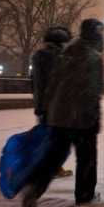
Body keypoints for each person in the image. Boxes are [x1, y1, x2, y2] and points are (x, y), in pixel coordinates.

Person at [21, 19, 104, 207]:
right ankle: (85, 196)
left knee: (53, 158)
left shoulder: (66, 52)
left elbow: (52, 84)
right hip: (82, 117)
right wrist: (95, 118)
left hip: (59, 116)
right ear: (97, 35)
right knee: (86, 158)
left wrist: (49, 110)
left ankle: (34, 189)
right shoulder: (93, 57)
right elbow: (93, 92)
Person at [30, 26, 74, 179]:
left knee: (47, 138)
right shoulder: (59, 58)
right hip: (57, 105)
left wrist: (39, 105)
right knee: (56, 140)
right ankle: (52, 168)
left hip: (43, 104)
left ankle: (46, 166)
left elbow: (36, 83)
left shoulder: (39, 56)